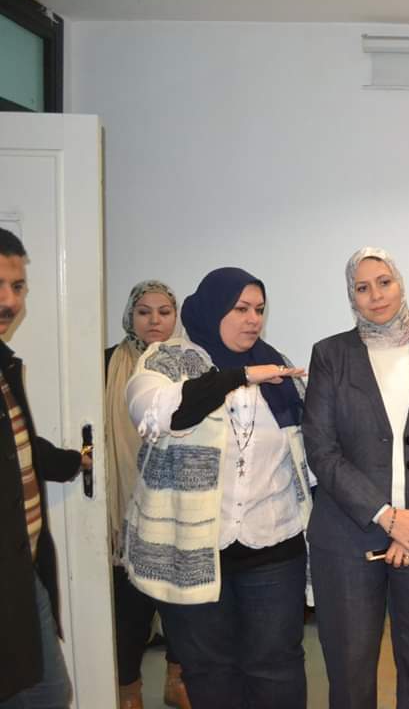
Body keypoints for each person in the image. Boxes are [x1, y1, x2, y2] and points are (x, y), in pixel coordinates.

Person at [124, 267, 312, 709]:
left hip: (273, 547)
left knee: (277, 666)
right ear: (212, 308)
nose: (253, 320)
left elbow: (306, 453)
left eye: (260, 310)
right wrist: (239, 375)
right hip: (194, 550)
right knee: (209, 670)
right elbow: (158, 414)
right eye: (241, 308)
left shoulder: (278, 367)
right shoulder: (167, 361)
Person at [303, 247, 409, 709]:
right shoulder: (330, 356)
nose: (375, 295)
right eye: (362, 287)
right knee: (351, 668)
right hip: (348, 537)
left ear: (400, 284)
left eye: (384, 282)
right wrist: (385, 517)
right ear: (351, 297)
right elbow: (322, 449)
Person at [0, 228, 89, 706]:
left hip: (22, 566)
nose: (9, 301)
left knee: (46, 690)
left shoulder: (4, 366)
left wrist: (75, 460)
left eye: (18, 287)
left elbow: (20, 447)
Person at [105, 280, 190, 709]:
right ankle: (128, 690)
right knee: (131, 605)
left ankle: (177, 681)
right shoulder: (106, 364)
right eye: (144, 311)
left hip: (180, 503)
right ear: (129, 316)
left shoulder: (192, 364)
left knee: (182, 603)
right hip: (126, 505)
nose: (155, 321)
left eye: (164, 311)